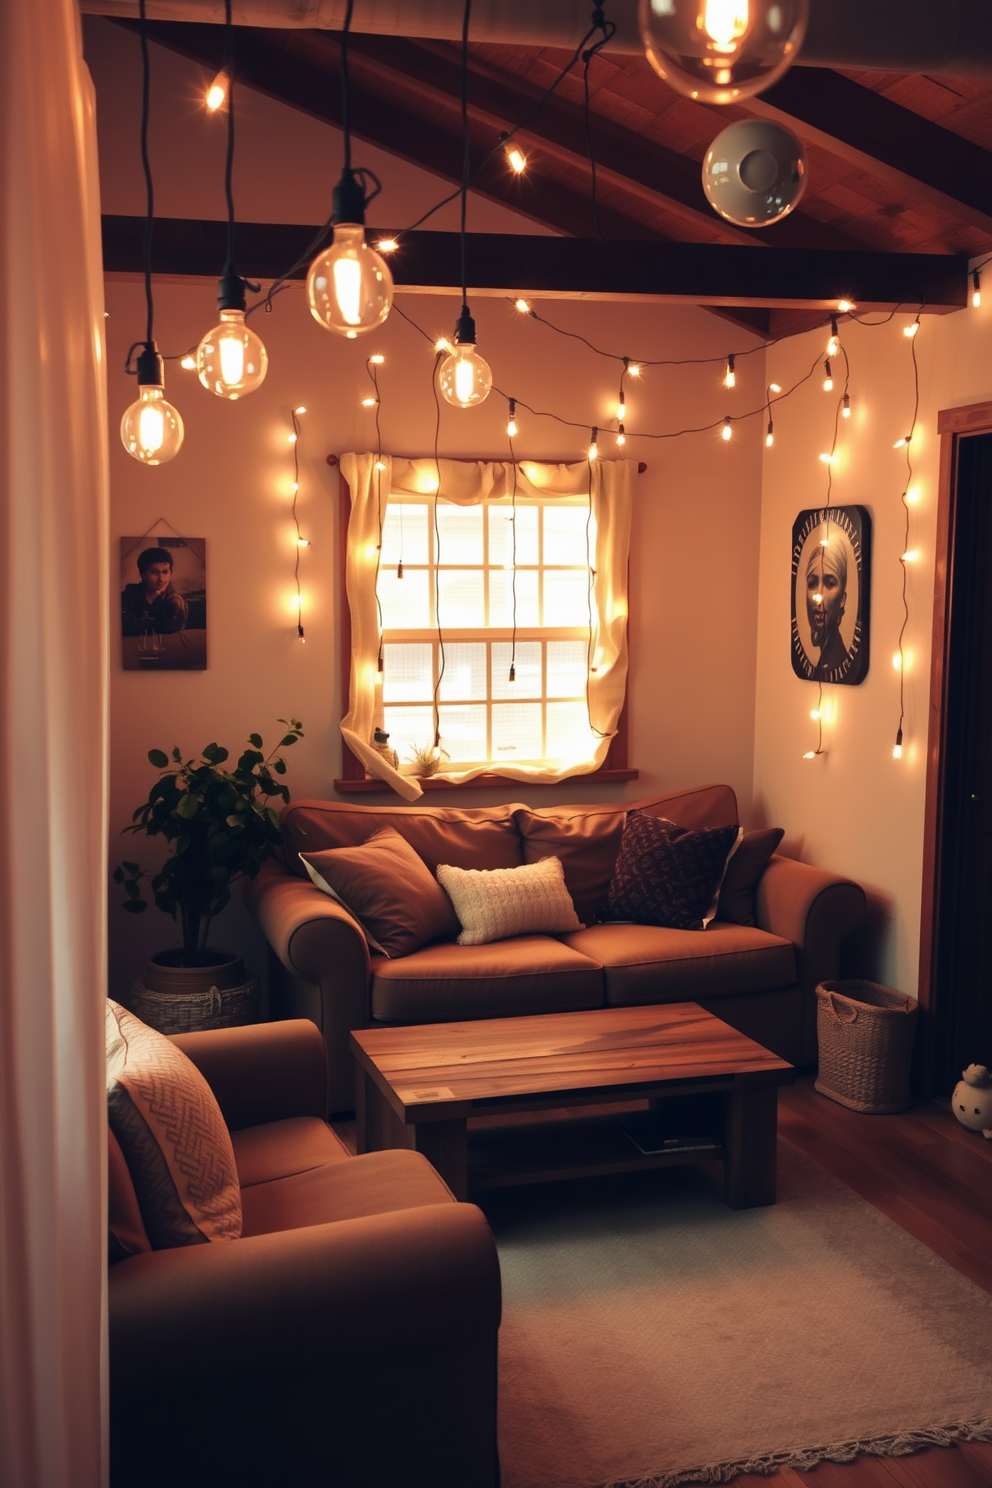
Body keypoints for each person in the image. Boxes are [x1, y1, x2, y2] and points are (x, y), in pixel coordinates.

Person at [805, 533, 849, 675]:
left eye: (829, 584)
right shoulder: (823, 662)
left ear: (842, 599)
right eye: (812, 584)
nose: (819, 597)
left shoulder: (838, 660)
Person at [121, 547, 188, 635]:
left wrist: (140, 623)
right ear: (143, 575)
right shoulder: (129, 596)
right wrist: (160, 623)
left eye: (165, 572)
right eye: (154, 572)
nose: (161, 579)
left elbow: (173, 626)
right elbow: (124, 625)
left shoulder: (175, 600)